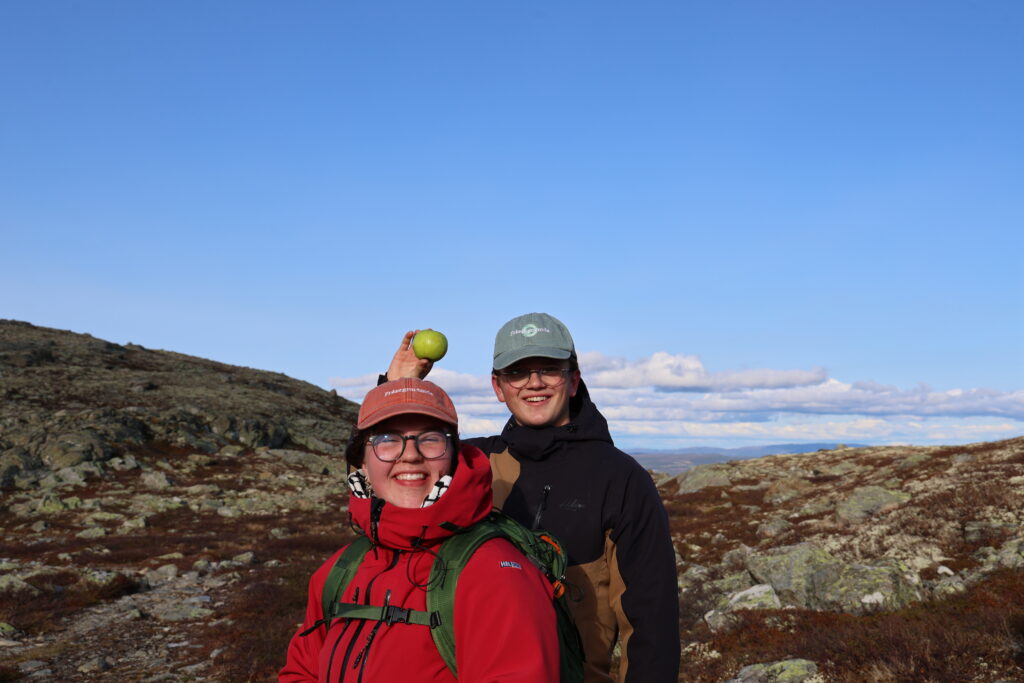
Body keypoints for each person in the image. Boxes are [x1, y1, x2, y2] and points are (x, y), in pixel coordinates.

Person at [386, 313, 680, 683]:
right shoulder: (469, 465)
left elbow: (651, 622)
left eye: (549, 370)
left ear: (573, 380)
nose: (534, 383)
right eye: (517, 373)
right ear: (498, 386)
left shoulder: (621, 479)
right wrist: (397, 388)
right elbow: (380, 482)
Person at [279, 378, 559, 683]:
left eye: (430, 438)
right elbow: (302, 671)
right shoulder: (339, 569)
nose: (410, 454)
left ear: (453, 455)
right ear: (362, 460)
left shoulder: (495, 572)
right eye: (387, 439)